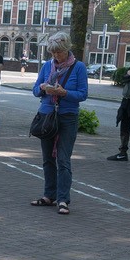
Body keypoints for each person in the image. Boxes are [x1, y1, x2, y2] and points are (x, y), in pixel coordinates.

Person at [30, 32, 89, 215]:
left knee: (63, 159)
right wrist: (42, 88)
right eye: (53, 53)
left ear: (67, 50)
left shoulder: (78, 68)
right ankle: (49, 195)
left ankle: (63, 199)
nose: (55, 56)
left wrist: (65, 93)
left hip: (67, 117)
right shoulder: (47, 66)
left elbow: (83, 94)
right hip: (47, 116)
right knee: (48, 159)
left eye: (59, 53)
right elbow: (35, 89)